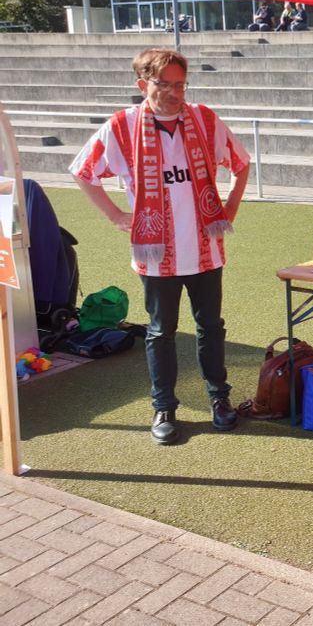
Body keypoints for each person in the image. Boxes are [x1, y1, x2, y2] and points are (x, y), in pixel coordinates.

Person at [69, 48, 250, 445]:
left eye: (179, 84)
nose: (173, 92)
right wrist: (116, 217)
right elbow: (84, 171)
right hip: (156, 254)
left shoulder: (204, 119)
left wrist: (230, 208)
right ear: (142, 84)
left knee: (210, 328)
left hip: (205, 247)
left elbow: (241, 163)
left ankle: (220, 399)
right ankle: (163, 407)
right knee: (159, 332)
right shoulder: (122, 126)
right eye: (163, 83)